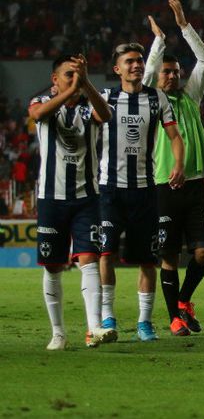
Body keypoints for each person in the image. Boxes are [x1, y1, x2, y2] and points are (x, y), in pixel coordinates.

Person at [98, 42, 186, 342]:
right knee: (106, 252)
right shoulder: (106, 98)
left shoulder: (156, 97)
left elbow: (175, 136)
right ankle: (107, 317)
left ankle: (144, 323)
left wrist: (178, 164)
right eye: (129, 61)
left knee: (148, 259)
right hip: (110, 189)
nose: (136, 65)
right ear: (117, 69)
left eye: (139, 60)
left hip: (145, 191)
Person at [30, 54, 117, 349]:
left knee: (89, 260)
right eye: (69, 74)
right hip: (51, 199)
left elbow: (106, 115)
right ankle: (58, 333)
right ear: (54, 79)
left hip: (86, 199)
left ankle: (94, 328)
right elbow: (38, 115)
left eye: (78, 74)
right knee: (52, 267)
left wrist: (85, 83)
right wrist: (69, 91)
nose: (75, 79)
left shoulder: (89, 106)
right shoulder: (42, 102)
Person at [143, 0, 204, 337]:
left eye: (175, 71)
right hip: (164, 185)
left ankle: (183, 301)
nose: (172, 76)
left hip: (196, 185)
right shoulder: (149, 100)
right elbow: (146, 75)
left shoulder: (190, 97)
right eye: (166, 71)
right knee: (168, 255)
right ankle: (174, 317)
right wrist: (158, 42)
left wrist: (184, 25)